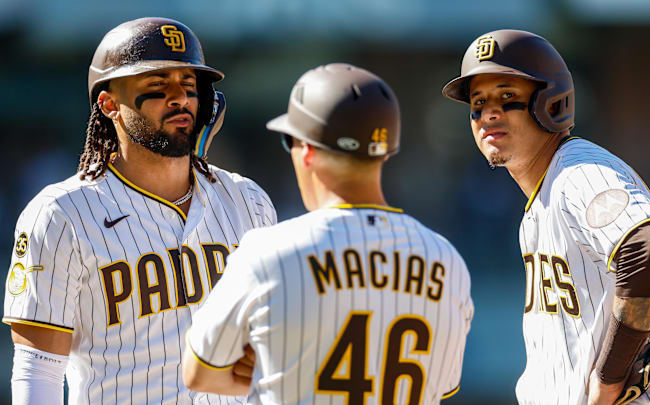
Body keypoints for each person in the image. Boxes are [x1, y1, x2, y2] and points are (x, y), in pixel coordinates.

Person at [4, 17, 276, 405]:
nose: (179, 98)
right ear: (110, 104)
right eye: (157, 86)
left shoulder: (247, 201)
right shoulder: (61, 214)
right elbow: (38, 370)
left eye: (188, 85)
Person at [441, 29, 650, 405]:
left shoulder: (577, 172)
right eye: (478, 102)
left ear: (551, 103)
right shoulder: (546, 194)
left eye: (507, 97)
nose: (489, 112)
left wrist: (607, 379)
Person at [182, 63, 475, 404]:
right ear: (386, 150)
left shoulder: (268, 252)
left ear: (306, 149)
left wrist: (273, 364)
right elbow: (441, 386)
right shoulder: (447, 261)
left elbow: (197, 373)